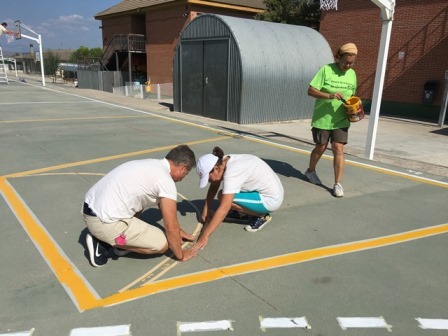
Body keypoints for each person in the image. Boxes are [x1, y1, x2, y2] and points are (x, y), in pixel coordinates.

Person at [82, 145, 198, 267]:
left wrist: (178, 231)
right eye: (186, 173)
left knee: (141, 200)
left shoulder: (152, 164)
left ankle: (120, 242)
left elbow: (162, 205)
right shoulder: (166, 181)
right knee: (163, 244)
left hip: (90, 208)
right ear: (183, 167)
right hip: (104, 223)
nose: (184, 177)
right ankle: (102, 243)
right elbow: (170, 226)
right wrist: (181, 255)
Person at [193, 147, 284, 251]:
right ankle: (244, 213)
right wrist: (205, 210)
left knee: (223, 197)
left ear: (216, 169)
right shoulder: (223, 161)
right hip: (266, 190)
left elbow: (225, 207)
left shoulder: (233, 171)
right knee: (223, 195)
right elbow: (215, 184)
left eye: (208, 178)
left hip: (270, 199)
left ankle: (261, 215)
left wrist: (205, 235)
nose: (209, 181)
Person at [304, 42, 359, 198]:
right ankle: (310, 171)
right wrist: (329, 95)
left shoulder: (352, 74)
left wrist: (355, 106)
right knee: (320, 147)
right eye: (346, 62)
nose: (349, 65)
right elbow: (310, 90)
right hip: (323, 118)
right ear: (338, 57)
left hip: (341, 119)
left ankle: (337, 184)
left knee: (338, 149)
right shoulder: (326, 70)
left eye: (352, 62)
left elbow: (352, 95)